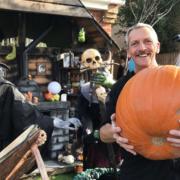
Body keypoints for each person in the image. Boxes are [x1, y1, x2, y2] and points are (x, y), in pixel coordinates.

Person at [99, 23, 180, 180]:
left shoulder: (176, 80)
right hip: (136, 173)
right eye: (135, 43)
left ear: (157, 46)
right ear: (129, 51)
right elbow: (103, 133)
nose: (142, 48)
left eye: (147, 41)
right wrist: (116, 132)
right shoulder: (120, 87)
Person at [0, 61, 81, 156]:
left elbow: (23, 111)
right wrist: (53, 122)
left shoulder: (7, 89)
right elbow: (24, 112)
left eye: (2, 71)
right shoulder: (7, 89)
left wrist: (53, 122)